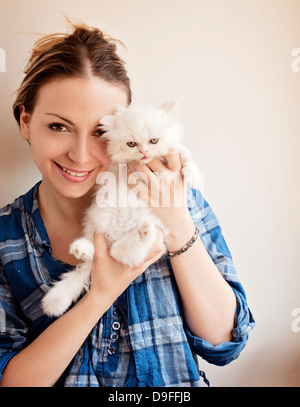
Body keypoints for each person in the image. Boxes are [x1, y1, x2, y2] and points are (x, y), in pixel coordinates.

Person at [0, 23, 254, 387]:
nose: (81, 154)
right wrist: (103, 290)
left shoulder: (176, 195)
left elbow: (224, 343)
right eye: (59, 127)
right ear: (26, 122)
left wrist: (177, 223)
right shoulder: (6, 237)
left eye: (101, 132)